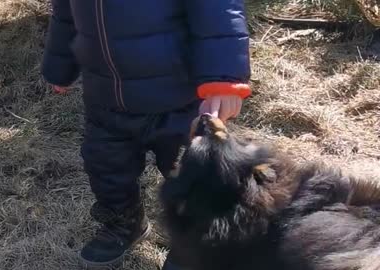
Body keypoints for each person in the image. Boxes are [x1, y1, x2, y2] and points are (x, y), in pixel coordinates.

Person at [41, 1, 251, 269]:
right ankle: (125, 222)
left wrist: (224, 78)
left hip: (177, 101)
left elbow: (217, 9)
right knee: (106, 169)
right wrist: (58, 67)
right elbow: (65, 15)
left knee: (189, 174)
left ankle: (193, 240)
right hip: (106, 103)